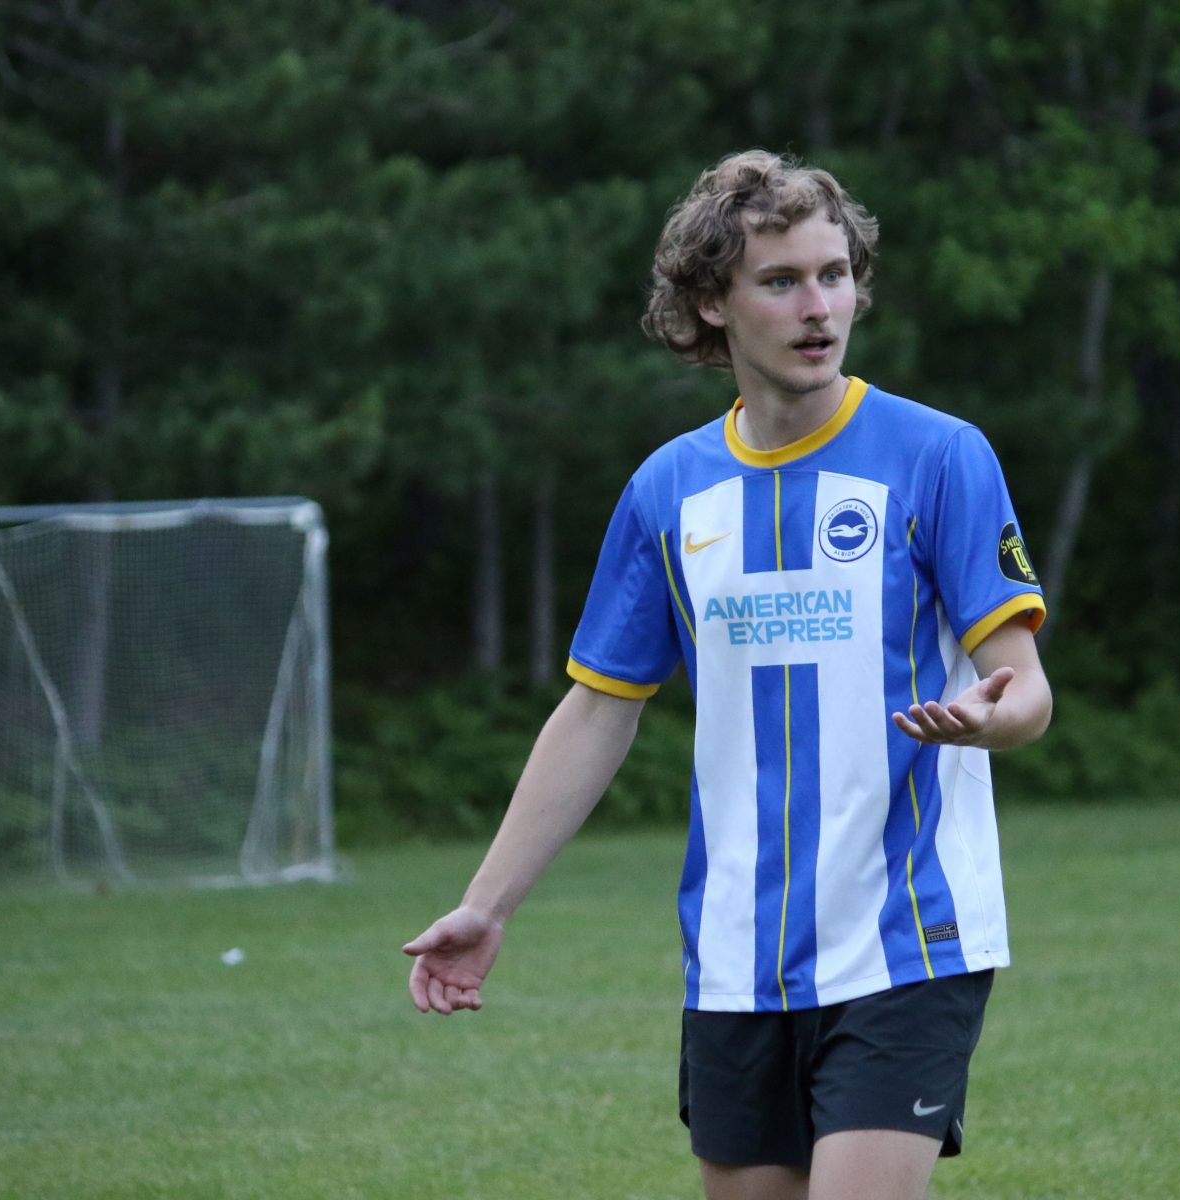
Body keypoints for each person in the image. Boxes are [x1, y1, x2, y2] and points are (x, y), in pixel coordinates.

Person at [404, 149, 1054, 1200]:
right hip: (737, 953)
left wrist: (996, 718)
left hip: (910, 938)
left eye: (836, 274)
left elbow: (1021, 684)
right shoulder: (669, 491)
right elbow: (597, 709)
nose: (819, 307)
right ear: (711, 302)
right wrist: (489, 905)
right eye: (781, 280)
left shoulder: (940, 456)